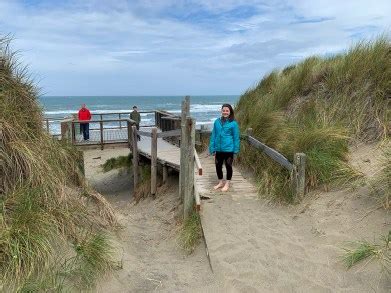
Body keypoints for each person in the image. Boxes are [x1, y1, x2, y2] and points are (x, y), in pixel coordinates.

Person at [209, 104, 240, 192]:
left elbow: (236, 137)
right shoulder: (216, 122)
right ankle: (220, 182)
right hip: (218, 149)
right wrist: (212, 148)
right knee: (218, 166)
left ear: (230, 112)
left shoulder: (233, 123)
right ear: (221, 111)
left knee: (228, 166)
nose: (225, 112)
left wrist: (236, 150)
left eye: (227, 111)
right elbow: (213, 135)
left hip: (229, 149)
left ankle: (227, 183)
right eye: (224, 110)